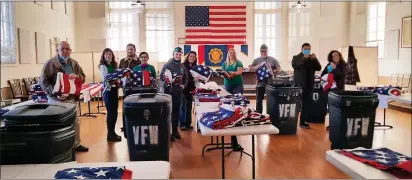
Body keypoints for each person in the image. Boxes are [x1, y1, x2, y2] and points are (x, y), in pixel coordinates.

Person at [40, 41, 89, 152]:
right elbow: (43, 81)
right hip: (55, 99)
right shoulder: (50, 63)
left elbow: (83, 77)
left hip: (71, 99)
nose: (65, 51)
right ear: (57, 50)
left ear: (70, 51)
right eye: (62, 49)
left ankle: (76, 144)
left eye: (67, 49)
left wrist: (77, 76)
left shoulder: (74, 63)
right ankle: (58, 145)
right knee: (57, 122)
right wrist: (54, 92)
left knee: (75, 121)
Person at [160, 47, 188, 141]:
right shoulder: (167, 64)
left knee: (176, 111)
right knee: (169, 112)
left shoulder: (182, 66)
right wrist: (168, 81)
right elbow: (161, 76)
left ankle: (175, 131)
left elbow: (186, 78)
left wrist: (183, 85)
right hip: (168, 92)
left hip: (178, 92)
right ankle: (168, 133)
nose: (178, 55)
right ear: (173, 54)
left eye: (180, 54)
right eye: (176, 54)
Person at [292, 43, 322, 129]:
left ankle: (302, 122)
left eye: (309, 48)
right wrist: (304, 58)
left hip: (309, 84)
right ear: (301, 49)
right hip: (299, 84)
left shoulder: (312, 58)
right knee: (297, 104)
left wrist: (315, 59)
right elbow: (295, 66)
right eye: (305, 48)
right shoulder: (296, 57)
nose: (307, 50)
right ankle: (292, 122)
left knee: (306, 104)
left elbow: (319, 68)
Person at [221, 48, 244, 151]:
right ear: (228, 54)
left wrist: (232, 73)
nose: (232, 54)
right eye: (230, 53)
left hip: (237, 84)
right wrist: (227, 75)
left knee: (238, 102)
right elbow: (223, 73)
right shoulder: (224, 63)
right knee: (229, 103)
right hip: (228, 84)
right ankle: (230, 118)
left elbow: (239, 72)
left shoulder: (238, 62)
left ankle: (239, 118)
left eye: (233, 53)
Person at [248, 44, 281, 114]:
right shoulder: (256, 60)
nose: (264, 53)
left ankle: (271, 116)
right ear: (260, 51)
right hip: (260, 84)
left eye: (265, 51)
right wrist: (258, 66)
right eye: (262, 51)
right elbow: (250, 69)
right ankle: (259, 115)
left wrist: (273, 71)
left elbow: (279, 69)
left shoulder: (273, 60)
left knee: (271, 100)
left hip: (270, 84)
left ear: (267, 51)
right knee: (259, 101)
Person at [99, 48, 121, 142]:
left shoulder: (114, 65)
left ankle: (112, 132)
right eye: (106, 54)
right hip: (108, 91)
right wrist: (116, 80)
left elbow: (117, 76)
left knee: (114, 112)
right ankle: (110, 134)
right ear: (104, 56)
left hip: (114, 90)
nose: (108, 56)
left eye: (110, 54)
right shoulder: (103, 66)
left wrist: (118, 80)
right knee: (111, 112)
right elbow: (106, 78)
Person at [321, 50, 347, 131]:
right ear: (331, 58)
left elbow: (342, 75)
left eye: (337, 55)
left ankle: (340, 125)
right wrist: (329, 71)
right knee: (332, 108)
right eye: (334, 56)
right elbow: (323, 75)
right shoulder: (329, 64)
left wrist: (335, 68)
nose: (336, 57)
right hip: (330, 89)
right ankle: (332, 124)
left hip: (339, 89)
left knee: (339, 108)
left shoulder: (344, 65)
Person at [179, 51, 197, 131]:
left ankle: (188, 123)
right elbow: (183, 77)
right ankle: (182, 124)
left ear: (195, 58)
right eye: (190, 56)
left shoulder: (196, 67)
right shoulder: (183, 65)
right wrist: (193, 79)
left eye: (193, 56)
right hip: (183, 89)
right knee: (182, 107)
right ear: (188, 57)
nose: (192, 58)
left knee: (189, 107)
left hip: (191, 89)